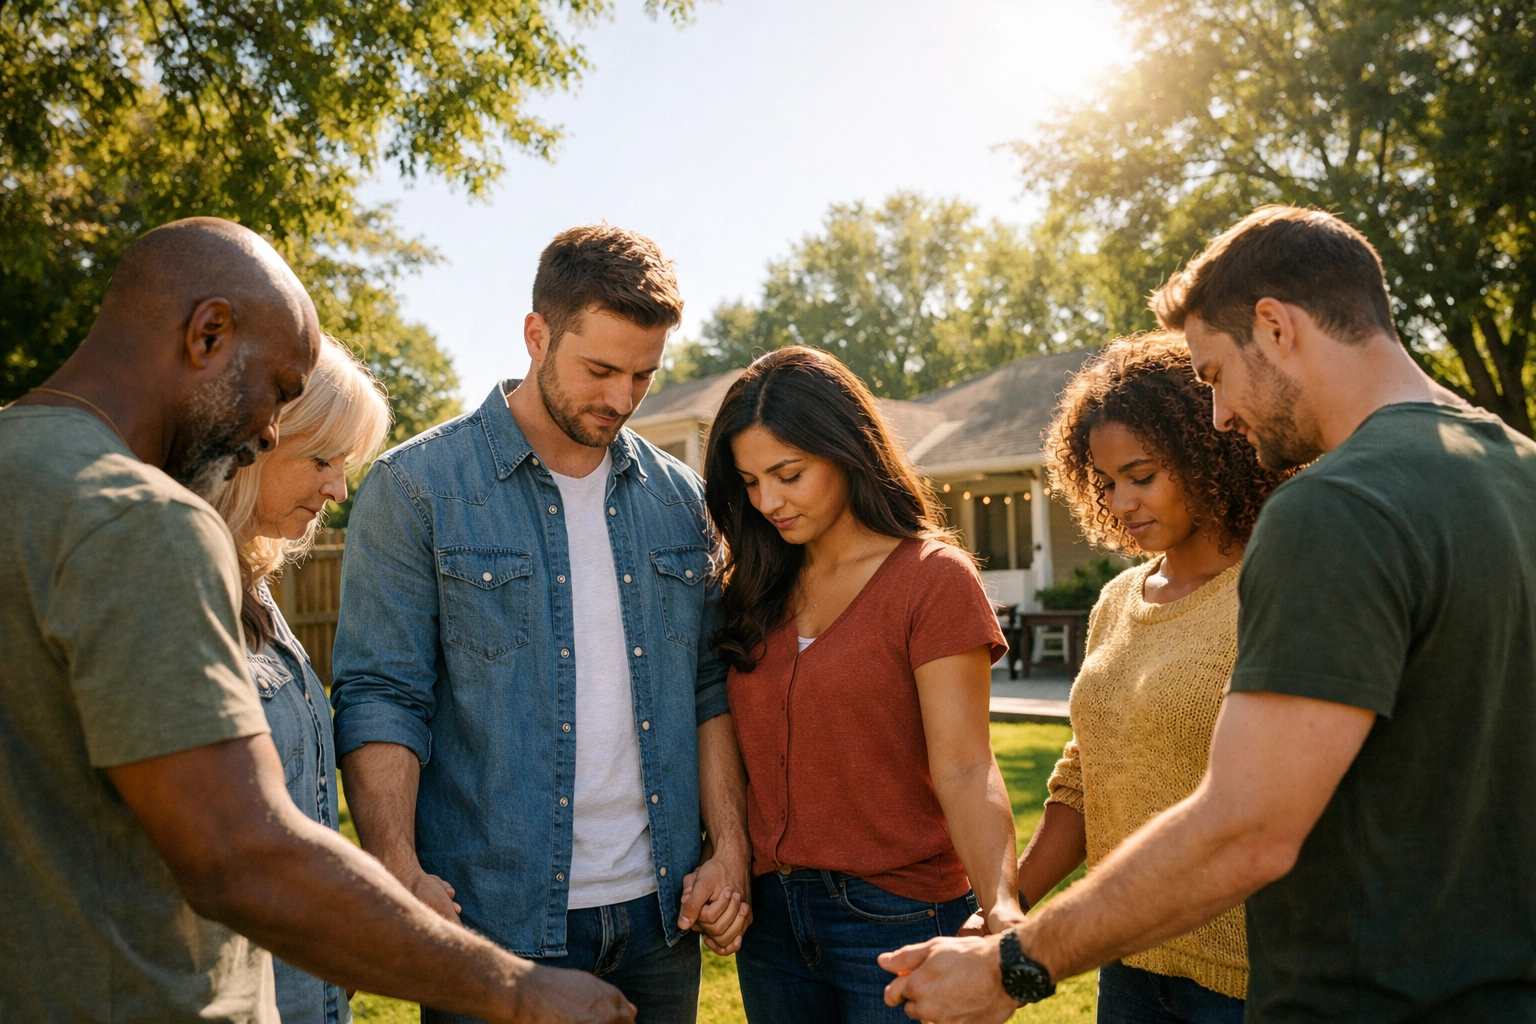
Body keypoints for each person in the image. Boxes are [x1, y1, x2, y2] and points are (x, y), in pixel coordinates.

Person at [880, 205, 1536, 1024]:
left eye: (1216, 374)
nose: (1220, 416)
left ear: (1275, 325)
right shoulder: (1518, 472)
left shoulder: (1332, 508)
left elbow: (1247, 829)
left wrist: (1014, 966)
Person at [0, 217, 634, 1023]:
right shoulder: (141, 521)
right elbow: (243, 854)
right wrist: (515, 987)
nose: (267, 431)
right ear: (208, 332)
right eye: (276, 391)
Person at [331, 224, 752, 1024]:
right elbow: (383, 693)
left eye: (643, 375)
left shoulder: (680, 502)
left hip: (659, 918)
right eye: (600, 370)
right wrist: (394, 863)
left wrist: (729, 848)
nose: (623, 399)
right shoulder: (417, 488)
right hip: (490, 917)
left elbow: (707, 688)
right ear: (536, 334)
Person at [701, 346, 1022, 1023]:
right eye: (751, 481)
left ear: (845, 450)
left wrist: (1001, 909)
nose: (768, 501)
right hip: (772, 925)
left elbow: (966, 766)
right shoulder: (754, 585)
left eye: (789, 474)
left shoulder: (931, 580)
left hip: (896, 916)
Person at [1016, 332, 1289, 1024]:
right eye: (1105, 483)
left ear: (1209, 452)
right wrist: (1005, 908)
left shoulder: (1277, 589)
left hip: (1251, 979)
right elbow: (1086, 773)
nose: (1120, 503)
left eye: (1142, 475)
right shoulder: (1117, 601)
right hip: (1128, 964)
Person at [211, 335, 393, 1024]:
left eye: (345, 466)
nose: (338, 489)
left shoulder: (255, 591)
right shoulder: (175, 589)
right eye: (320, 459)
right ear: (249, 448)